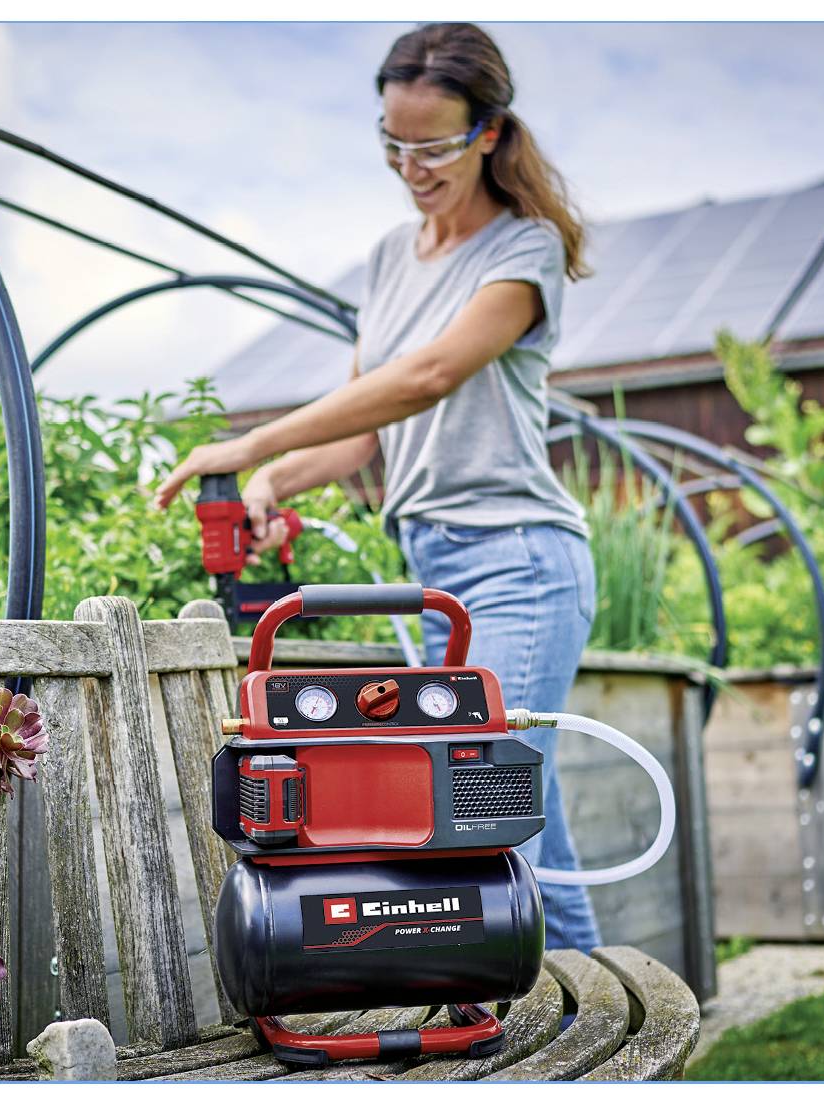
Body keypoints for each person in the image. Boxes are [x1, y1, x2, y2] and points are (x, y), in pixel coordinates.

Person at [153, 22, 601, 951]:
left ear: (487, 132)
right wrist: (273, 480)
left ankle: (558, 1023)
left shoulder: (525, 252)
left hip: (520, 560)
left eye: (432, 145)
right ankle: (585, 1015)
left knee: (485, 791)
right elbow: (364, 431)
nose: (410, 165)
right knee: (524, 805)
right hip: (438, 568)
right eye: (392, 143)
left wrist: (247, 443)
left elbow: (424, 377)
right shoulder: (392, 258)